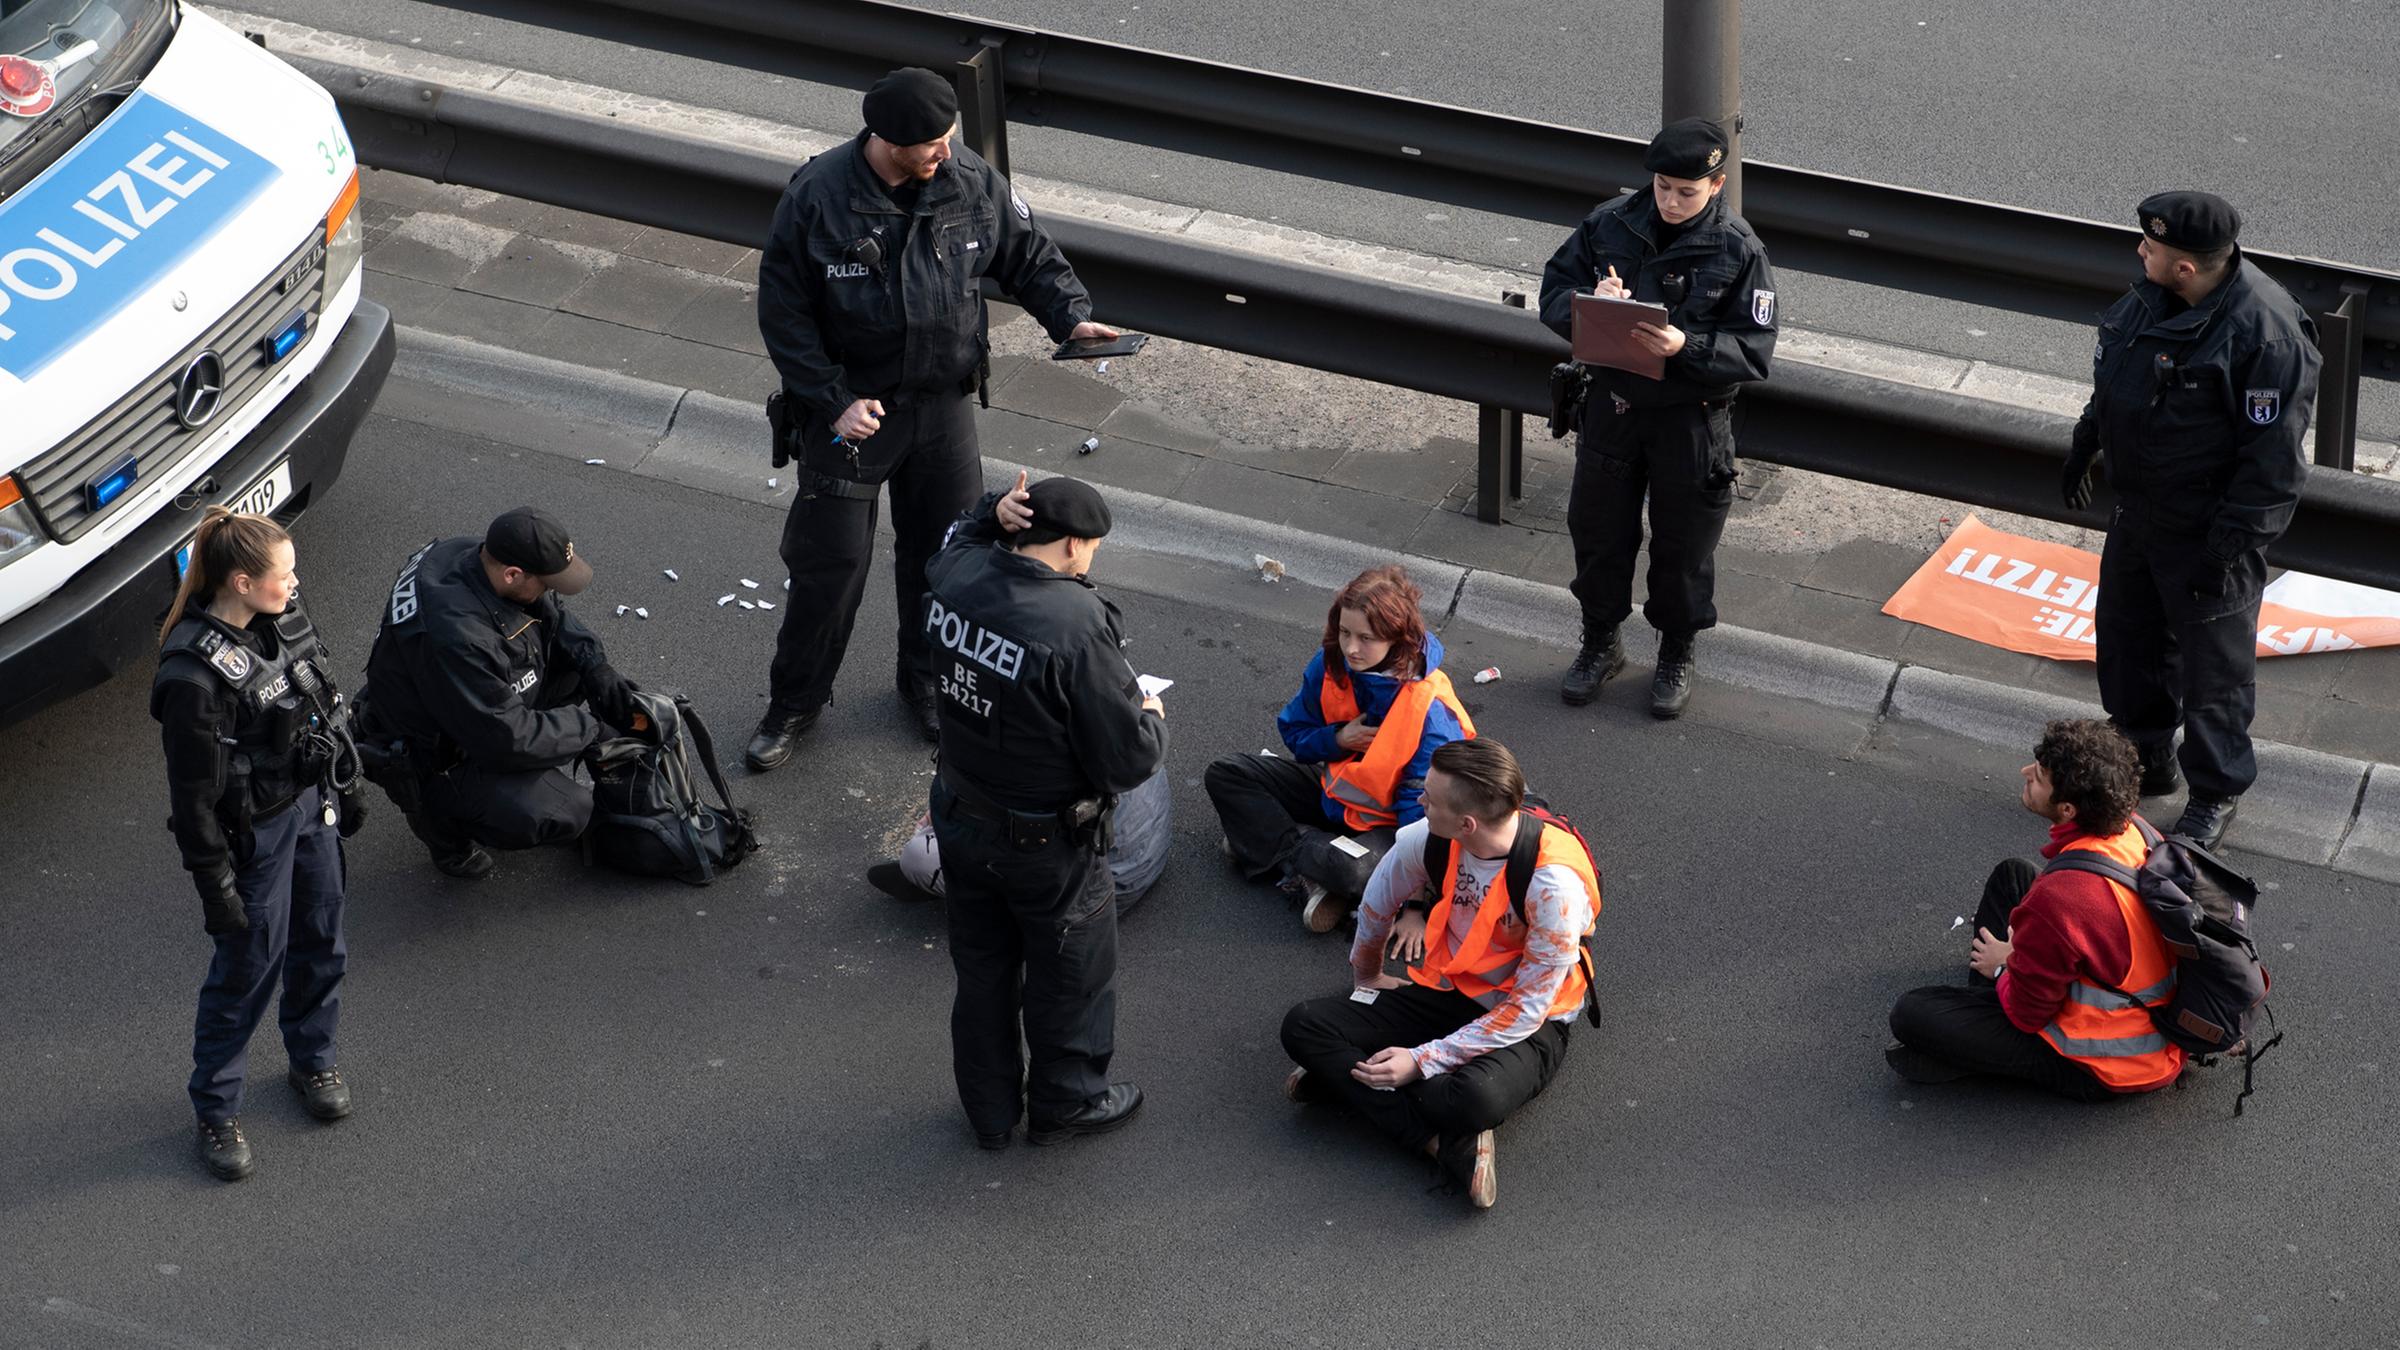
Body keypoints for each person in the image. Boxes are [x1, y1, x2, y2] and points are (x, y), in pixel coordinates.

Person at [747, 66, 1122, 771]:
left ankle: (925, 686)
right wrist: (832, 399)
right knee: (830, 569)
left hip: (942, 407)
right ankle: (793, 706)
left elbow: (1027, 255)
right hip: (853, 416)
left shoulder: (968, 179)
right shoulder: (819, 198)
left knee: (943, 564)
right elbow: (784, 313)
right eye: (932, 145)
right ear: (889, 141)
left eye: (950, 140)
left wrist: (1069, 316)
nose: (946, 154)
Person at [2064, 191, 2320, 850]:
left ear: (2186, 267)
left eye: (2152, 247)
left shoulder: (2264, 333)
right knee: (2129, 648)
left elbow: (2273, 465)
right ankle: (2147, 759)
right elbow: (2117, 376)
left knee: (2215, 675)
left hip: (2209, 533)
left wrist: (2228, 548)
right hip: (2141, 513)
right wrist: (2086, 441)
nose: (2139, 252)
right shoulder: (2154, 295)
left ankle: (2216, 793)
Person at [924, 473, 1168, 1150]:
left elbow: (958, 537)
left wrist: (988, 509)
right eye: (1090, 548)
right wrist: (1150, 718)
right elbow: (1125, 759)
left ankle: (989, 1109)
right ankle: (1068, 1101)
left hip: (960, 811)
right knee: (1071, 975)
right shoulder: (1076, 624)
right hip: (1044, 843)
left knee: (981, 971)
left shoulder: (956, 574)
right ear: (1071, 544)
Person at [1279, 739, 1599, 1210]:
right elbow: (1375, 910)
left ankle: (1349, 1077)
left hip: (1528, 1021)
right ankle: (1437, 1141)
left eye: (1428, 797)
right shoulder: (1423, 839)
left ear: (1465, 825)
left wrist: (1423, 1059)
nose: (1418, 802)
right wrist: (1367, 980)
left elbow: (1527, 1009)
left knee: (1472, 1099)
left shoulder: (1553, 888)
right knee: (1303, 1024)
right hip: (1450, 994)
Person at [150, 508, 366, 1181]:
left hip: (310, 806)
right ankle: (215, 1109)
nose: (295, 583)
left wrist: (345, 783)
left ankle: (312, 1058)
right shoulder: (194, 676)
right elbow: (192, 801)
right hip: (254, 835)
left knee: (323, 938)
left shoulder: (285, 620)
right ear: (241, 582)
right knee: (247, 970)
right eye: (283, 574)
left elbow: (324, 702)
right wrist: (215, 886)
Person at [1539, 116, 1777, 719]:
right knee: (1598, 534)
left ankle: (1676, 651)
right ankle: (1600, 643)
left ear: (1716, 186)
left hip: (1690, 420)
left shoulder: (1739, 249)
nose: (1670, 202)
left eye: (1686, 192)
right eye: (1663, 187)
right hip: (1614, 408)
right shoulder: (1610, 221)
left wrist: (1685, 347)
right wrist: (1593, 307)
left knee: (1682, 548)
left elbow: (1752, 349)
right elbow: (1553, 294)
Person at [1886, 719, 2186, 1100]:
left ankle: (1979, 1045)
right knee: (2013, 876)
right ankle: (1980, 1029)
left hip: (2107, 1062)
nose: (2025, 773)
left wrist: (2004, 965)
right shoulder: (2136, 831)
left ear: (2066, 808)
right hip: (2144, 1008)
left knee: (1911, 1014)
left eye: (2039, 776)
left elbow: (2028, 1013)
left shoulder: (2062, 897)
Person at [354, 507, 645, 879]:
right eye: (546, 581)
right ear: (512, 574)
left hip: (469, 698)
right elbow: (507, 737)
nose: (551, 590)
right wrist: (587, 727)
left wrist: (596, 666)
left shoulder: (474, 554)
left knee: (578, 670)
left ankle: (519, 773)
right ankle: (443, 830)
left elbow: (551, 613)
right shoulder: (456, 636)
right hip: (436, 750)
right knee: (567, 810)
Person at [1203, 565, 1474, 934]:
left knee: (1351, 868)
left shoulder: (1430, 711)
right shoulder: (1330, 664)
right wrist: (1337, 739)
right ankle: (1301, 861)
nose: (1351, 648)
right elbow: (1295, 733)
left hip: (1387, 825)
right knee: (1226, 773)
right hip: (1333, 792)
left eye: (1366, 638)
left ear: (1397, 638)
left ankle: (1268, 844)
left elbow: (1421, 821)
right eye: (1345, 632)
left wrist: (1415, 905)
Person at [871, 764, 1173, 913]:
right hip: (1141, 856)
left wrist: (946, 809)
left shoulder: (1037, 721)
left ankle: (969, 894)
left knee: (919, 857)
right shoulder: (1113, 678)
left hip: (1085, 895)